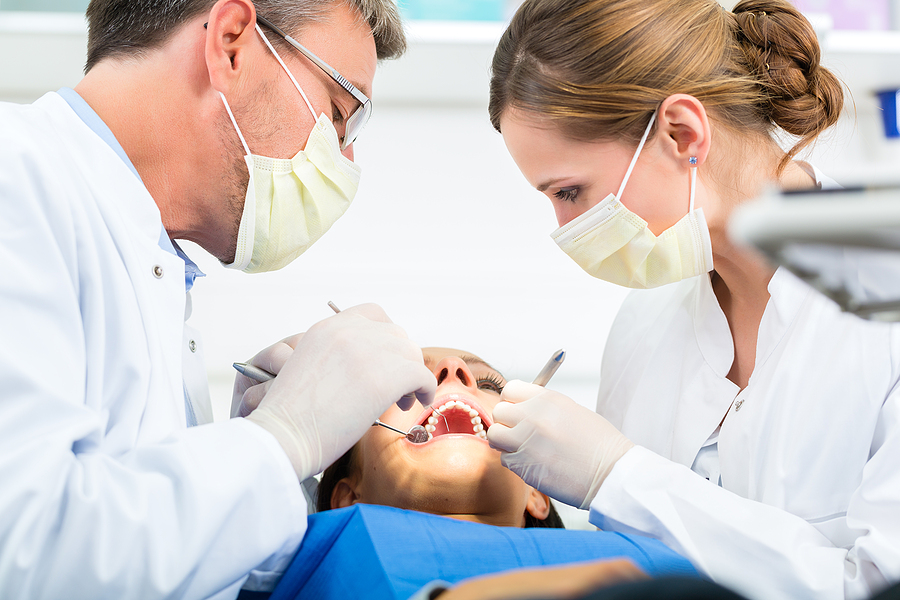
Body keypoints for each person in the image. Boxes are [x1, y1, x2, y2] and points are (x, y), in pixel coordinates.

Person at [0, 0, 437, 598]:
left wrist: (242, 455)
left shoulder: (147, 260)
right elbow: (26, 554)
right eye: (341, 114)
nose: (347, 157)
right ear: (231, 42)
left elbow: (138, 556)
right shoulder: (15, 177)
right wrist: (280, 441)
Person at [484, 0, 900, 599]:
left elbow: (873, 586)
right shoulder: (645, 324)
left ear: (683, 134)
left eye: (571, 191)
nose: (565, 225)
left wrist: (618, 476)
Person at [265, 347, 699, 600]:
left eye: (489, 386)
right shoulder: (290, 569)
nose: (453, 369)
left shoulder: (665, 565)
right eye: (402, 386)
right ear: (346, 495)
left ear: (538, 488)